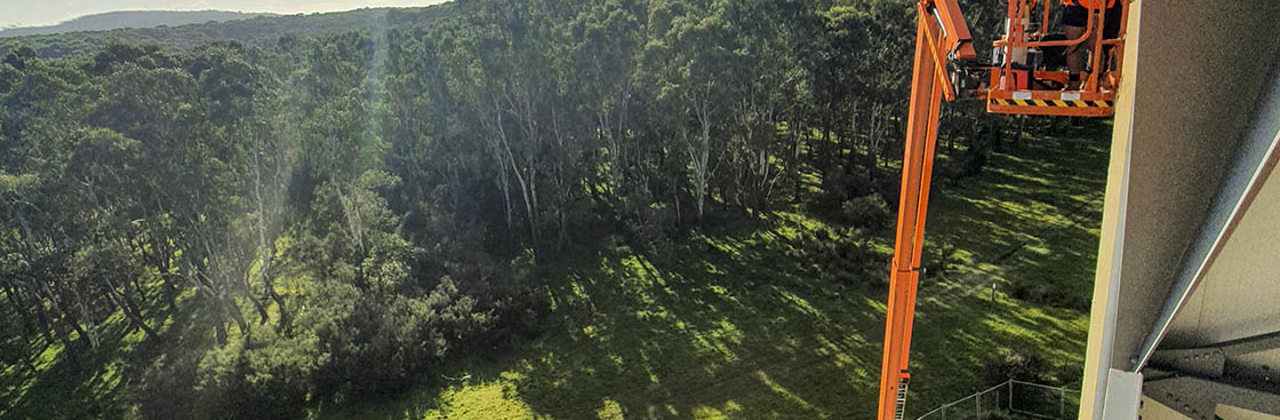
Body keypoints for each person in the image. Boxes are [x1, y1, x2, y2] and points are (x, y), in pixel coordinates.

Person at [1060, 0, 1122, 90]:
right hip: (1098, 7)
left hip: (1077, 7)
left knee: (1073, 47)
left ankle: (1075, 84)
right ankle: (1092, 83)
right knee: (1096, 47)